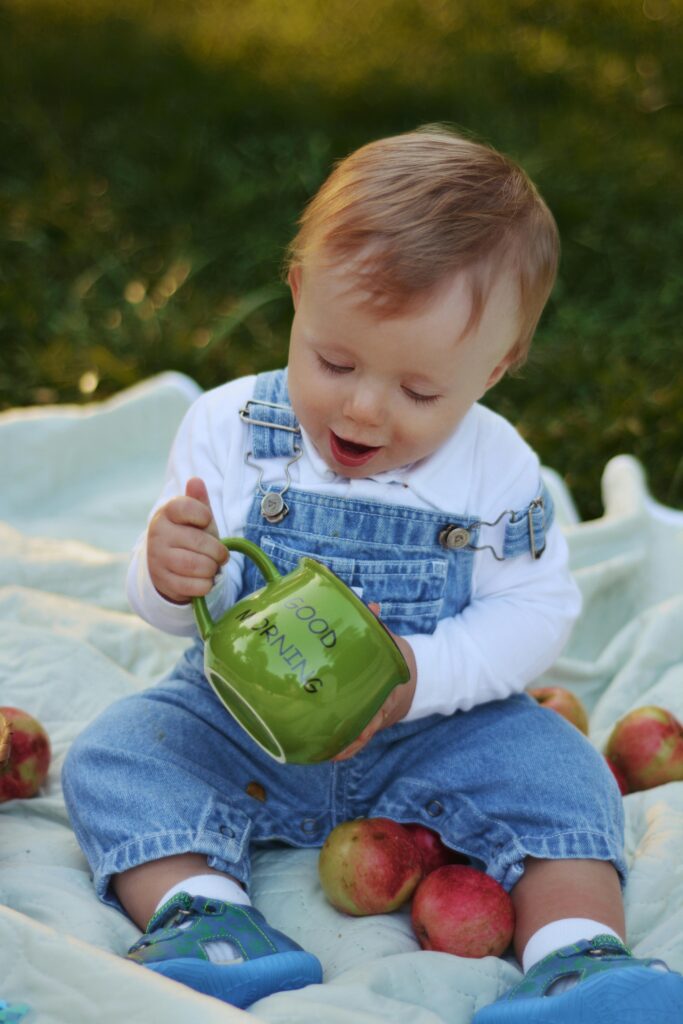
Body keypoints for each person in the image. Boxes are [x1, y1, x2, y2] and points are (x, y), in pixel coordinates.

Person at [63, 126, 683, 1022]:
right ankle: (209, 921)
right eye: (333, 360)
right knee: (120, 753)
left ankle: (578, 957)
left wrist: (416, 677)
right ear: (297, 294)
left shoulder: (496, 470)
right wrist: (167, 574)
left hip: (432, 731)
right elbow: (178, 610)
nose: (361, 407)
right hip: (244, 726)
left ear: (496, 368)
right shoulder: (230, 429)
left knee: (560, 769)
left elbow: (535, 609)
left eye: (420, 392)